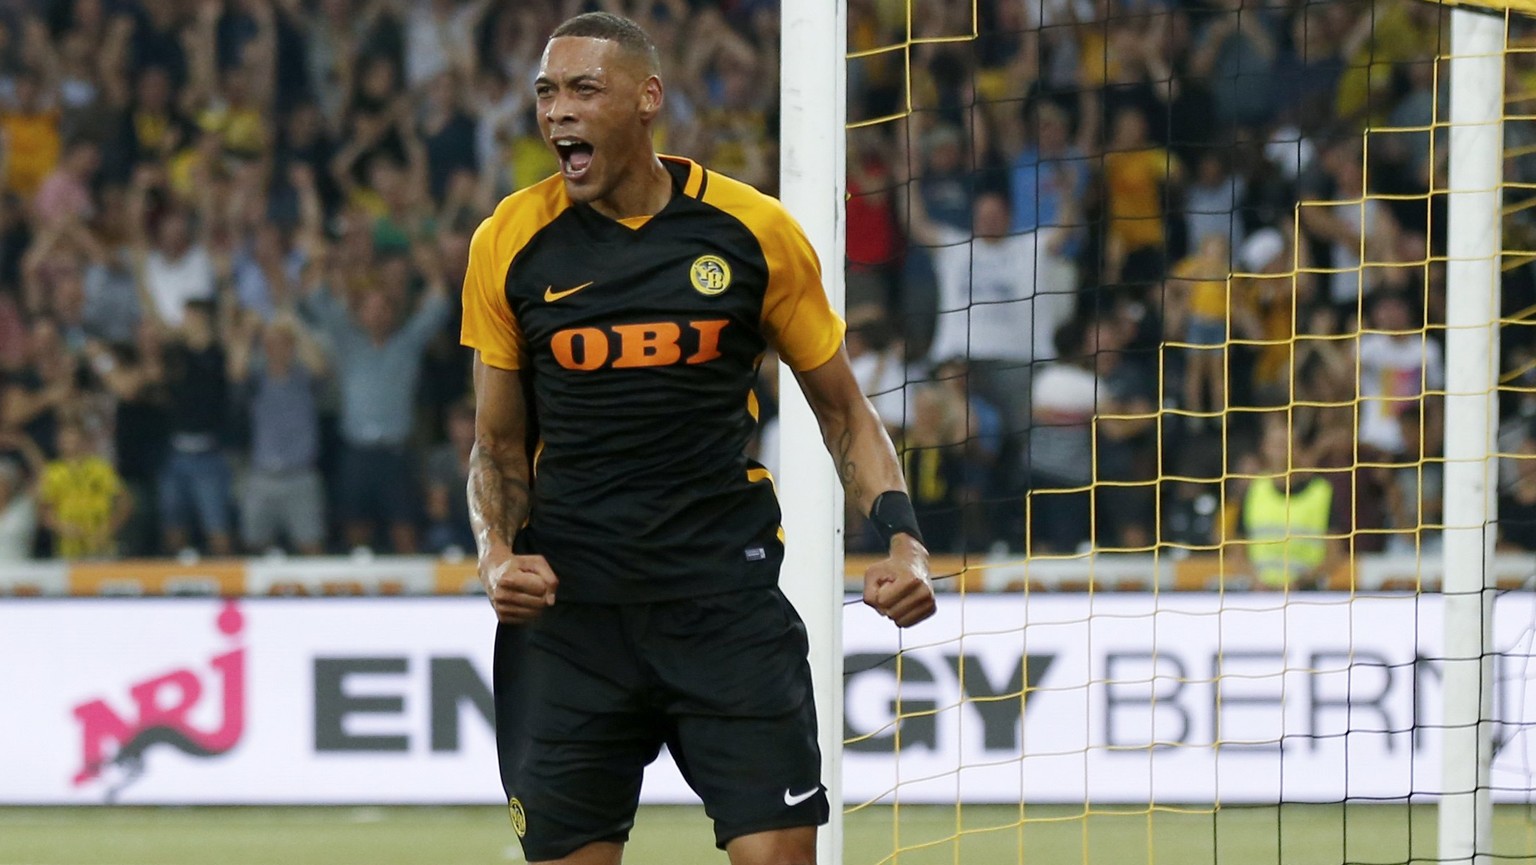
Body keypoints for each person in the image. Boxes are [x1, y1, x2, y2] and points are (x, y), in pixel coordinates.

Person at [460, 13, 936, 865]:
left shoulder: (753, 231)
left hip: (723, 603)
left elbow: (843, 412)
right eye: (546, 93)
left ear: (648, 100)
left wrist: (903, 536)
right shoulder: (508, 241)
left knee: (781, 856)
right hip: (572, 617)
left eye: (582, 89)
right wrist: (495, 551)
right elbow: (496, 447)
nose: (558, 113)